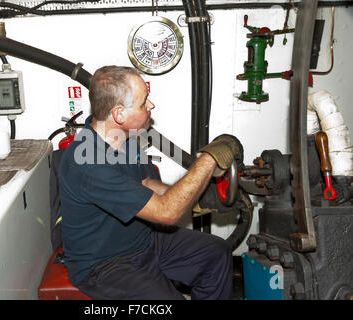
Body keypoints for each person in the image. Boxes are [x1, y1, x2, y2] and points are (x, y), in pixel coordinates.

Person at [58, 65, 243, 300]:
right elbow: (167, 213)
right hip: (104, 264)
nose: (151, 105)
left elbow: (144, 182)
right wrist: (209, 159)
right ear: (119, 114)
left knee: (216, 253)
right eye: (144, 102)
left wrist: (197, 198)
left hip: (142, 240)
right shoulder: (87, 162)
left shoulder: (120, 136)